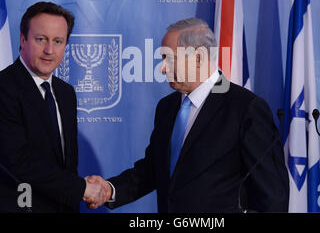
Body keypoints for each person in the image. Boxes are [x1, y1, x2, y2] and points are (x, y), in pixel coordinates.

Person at [87, 18, 289, 212]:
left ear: (199, 57)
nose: (163, 68)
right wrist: (110, 190)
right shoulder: (167, 107)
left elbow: (272, 195)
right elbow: (153, 169)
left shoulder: (245, 107)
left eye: (169, 59)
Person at [0, 2, 109, 212]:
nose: (49, 50)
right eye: (40, 39)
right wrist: (82, 188)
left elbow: (63, 166)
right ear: (23, 39)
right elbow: (19, 162)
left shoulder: (65, 93)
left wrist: (80, 189)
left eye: (58, 41)